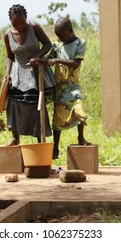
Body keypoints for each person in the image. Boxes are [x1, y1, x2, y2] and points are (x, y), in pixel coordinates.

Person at [3, 4, 55, 146]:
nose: (19, 25)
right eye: (15, 23)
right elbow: (9, 56)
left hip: (35, 73)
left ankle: (40, 139)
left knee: (36, 105)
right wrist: (7, 74)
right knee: (13, 103)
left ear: (26, 18)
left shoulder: (34, 27)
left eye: (21, 22)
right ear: (10, 20)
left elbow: (47, 44)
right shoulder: (7, 35)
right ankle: (15, 136)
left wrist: (37, 57)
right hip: (18, 74)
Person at [46, 17, 91, 159]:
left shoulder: (80, 43)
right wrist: (42, 59)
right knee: (58, 118)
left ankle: (81, 137)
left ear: (71, 31)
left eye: (63, 36)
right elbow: (49, 57)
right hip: (59, 87)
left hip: (73, 85)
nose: (61, 39)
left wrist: (58, 60)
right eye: (58, 36)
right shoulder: (57, 45)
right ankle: (55, 147)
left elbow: (76, 63)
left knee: (78, 107)